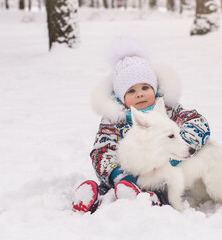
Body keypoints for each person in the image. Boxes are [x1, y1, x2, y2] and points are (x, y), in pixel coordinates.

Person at [72, 37, 211, 213]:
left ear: (154, 88)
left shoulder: (168, 110)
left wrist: (173, 149)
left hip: (161, 176)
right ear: (121, 96)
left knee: (164, 188)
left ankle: (150, 201)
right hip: (125, 175)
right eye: (131, 90)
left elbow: (198, 123)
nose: (139, 94)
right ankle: (92, 198)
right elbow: (102, 150)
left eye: (145, 87)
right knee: (115, 189)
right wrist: (117, 175)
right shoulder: (114, 119)